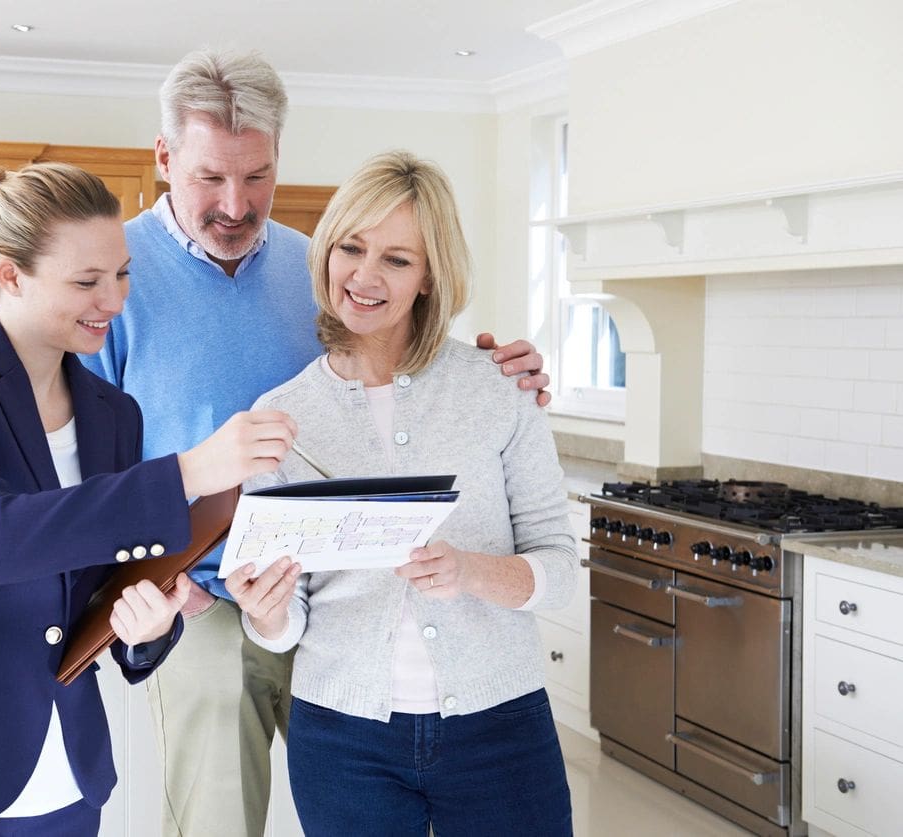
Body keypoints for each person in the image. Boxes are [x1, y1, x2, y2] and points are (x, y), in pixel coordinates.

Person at [80, 49, 553, 837]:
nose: (235, 204)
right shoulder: (114, 281)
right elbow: (84, 472)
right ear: (164, 159)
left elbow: (399, 372)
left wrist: (504, 369)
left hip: (342, 602)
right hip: (199, 602)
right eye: (208, 177)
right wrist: (160, 586)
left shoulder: (321, 266)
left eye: (257, 175)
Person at [0, 161, 296, 834]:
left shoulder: (113, 413)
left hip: (62, 783)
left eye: (122, 274)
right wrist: (189, 471)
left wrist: (147, 626)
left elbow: (99, 584)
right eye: (87, 281)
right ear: (10, 273)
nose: (114, 300)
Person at [226, 150, 576, 836]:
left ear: (430, 275)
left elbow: (560, 570)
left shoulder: (499, 388)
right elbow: (288, 618)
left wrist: (471, 570)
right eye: (350, 247)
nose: (364, 275)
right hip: (343, 738)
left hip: (501, 725)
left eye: (396, 258)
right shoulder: (282, 417)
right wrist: (263, 614)